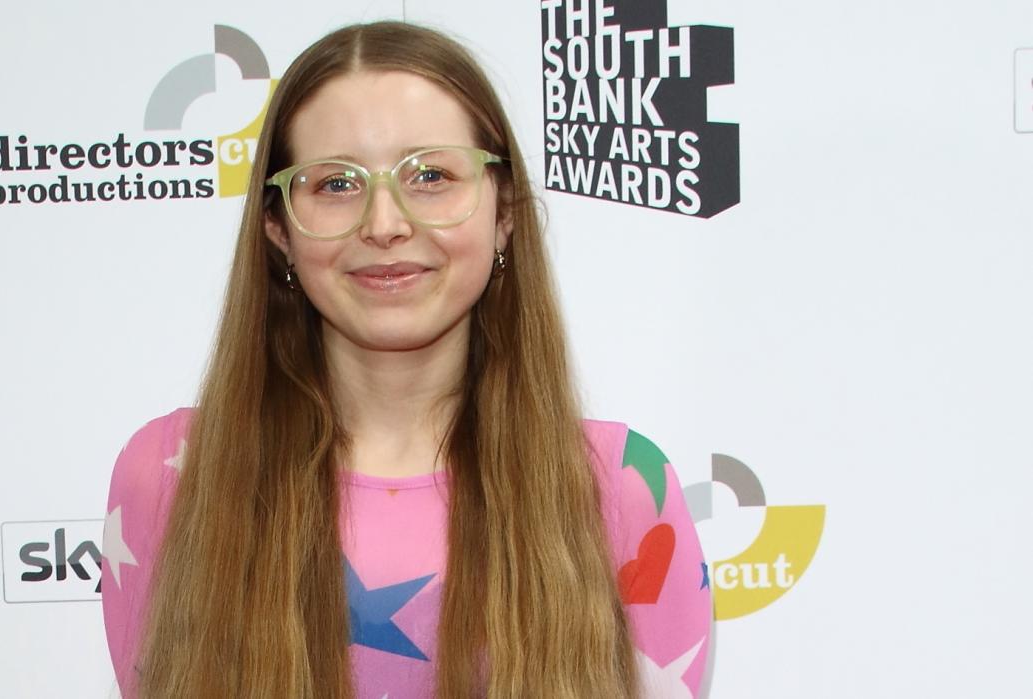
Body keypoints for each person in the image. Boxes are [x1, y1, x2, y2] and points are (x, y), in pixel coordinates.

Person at [101, 21, 711, 699]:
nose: (384, 223)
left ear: (503, 208)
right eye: (335, 183)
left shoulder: (624, 487)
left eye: (430, 175)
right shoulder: (168, 477)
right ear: (277, 227)